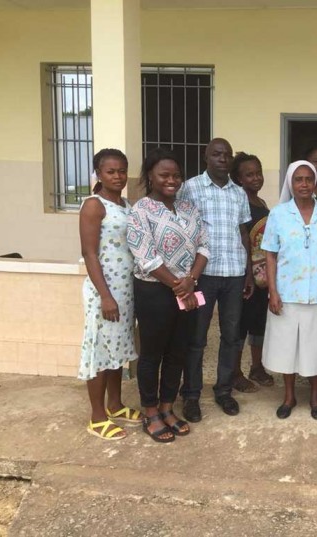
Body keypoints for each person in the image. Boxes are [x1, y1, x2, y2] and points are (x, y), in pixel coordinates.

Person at [127, 148, 209, 443]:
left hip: (187, 288)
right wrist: (179, 284)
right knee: (152, 354)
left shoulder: (189, 209)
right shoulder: (140, 211)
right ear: (150, 175)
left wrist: (192, 280)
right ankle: (150, 411)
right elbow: (146, 257)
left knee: (178, 352)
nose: (171, 180)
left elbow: (204, 247)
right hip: (154, 292)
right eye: (164, 175)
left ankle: (167, 408)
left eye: (176, 175)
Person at [178, 138, 254, 421]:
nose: (223, 159)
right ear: (206, 156)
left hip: (234, 274)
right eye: (217, 154)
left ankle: (224, 391)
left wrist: (247, 273)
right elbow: (184, 230)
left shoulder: (239, 193)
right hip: (203, 276)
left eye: (227, 155)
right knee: (197, 338)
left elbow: (243, 234)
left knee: (231, 337)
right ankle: (192, 394)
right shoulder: (191, 188)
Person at [261, 160, 317, 419]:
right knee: (286, 347)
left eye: (308, 179)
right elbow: (270, 255)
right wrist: (273, 291)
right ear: (290, 183)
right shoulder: (278, 213)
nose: (304, 184)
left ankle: (315, 397)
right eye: (298, 179)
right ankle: (289, 396)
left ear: (315, 182)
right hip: (286, 293)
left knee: (316, 346)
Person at [79, 148, 140, 440]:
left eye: (121, 171)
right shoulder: (94, 205)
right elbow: (90, 253)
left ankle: (115, 405)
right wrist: (105, 295)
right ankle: (97, 416)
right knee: (100, 351)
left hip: (125, 290)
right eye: (110, 171)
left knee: (119, 350)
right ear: (98, 174)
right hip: (105, 290)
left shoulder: (127, 204)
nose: (117, 176)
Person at [230, 152, 274, 390]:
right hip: (246, 276)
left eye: (258, 173)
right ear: (238, 178)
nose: (256, 178)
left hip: (262, 277)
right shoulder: (240, 203)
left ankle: (257, 368)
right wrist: (248, 274)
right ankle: (235, 373)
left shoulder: (260, 202)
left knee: (259, 322)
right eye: (249, 174)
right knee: (241, 324)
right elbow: (242, 240)